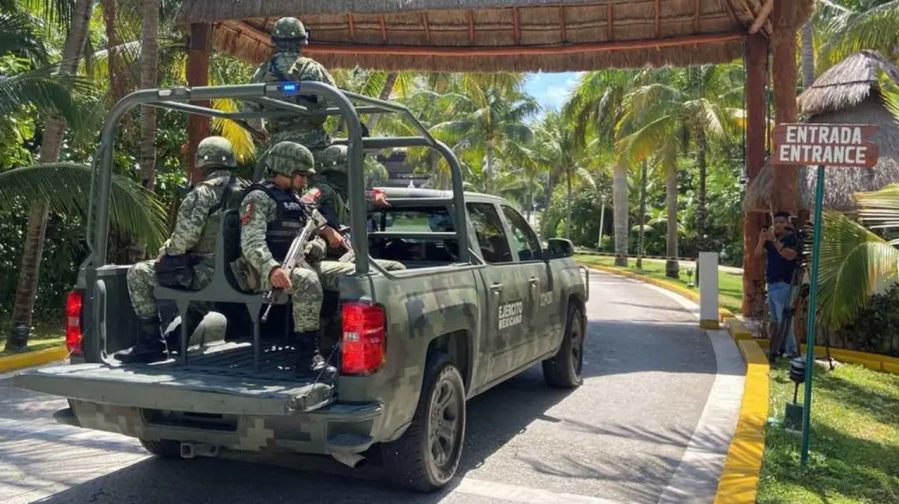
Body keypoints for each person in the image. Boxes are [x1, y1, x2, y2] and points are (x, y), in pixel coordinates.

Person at [117, 136, 248, 364]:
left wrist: (164, 250)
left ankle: (152, 344)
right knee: (197, 287)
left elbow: (182, 242)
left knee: (138, 273)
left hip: (206, 275)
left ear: (203, 162)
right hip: (241, 273)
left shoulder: (203, 194)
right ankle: (178, 337)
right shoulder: (246, 189)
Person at [238, 141, 336, 380]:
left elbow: (315, 229)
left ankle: (337, 341)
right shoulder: (259, 198)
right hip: (262, 269)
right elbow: (251, 243)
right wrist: (271, 268)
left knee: (356, 274)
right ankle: (307, 357)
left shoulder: (294, 198)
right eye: (301, 175)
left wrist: (322, 240)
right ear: (284, 168)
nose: (304, 181)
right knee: (308, 281)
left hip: (298, 263)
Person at [301, 144, 405, 274]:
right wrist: (325, 230)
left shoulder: (344, 192)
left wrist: (374, 195)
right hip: (329, 257)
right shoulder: (323, 190)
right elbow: (302, 207)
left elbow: (360, 196)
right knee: (395, 269)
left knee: (396, 268)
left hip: (347, 255)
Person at [249, 16, 336, 154]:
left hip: (279, 150)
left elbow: (251, 116)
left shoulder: (263, 71)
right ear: (301, 42)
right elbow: (335, 103)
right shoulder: (314, 68)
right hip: (314, 148)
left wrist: (261, 131)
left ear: (275, 41)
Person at [755, 210, 800, 357]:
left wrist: (774, 240)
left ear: (788, 223)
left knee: (785, 319)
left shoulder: (792, 238)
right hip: (772, 284)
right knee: (775, 320)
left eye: (781, 222)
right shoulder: (771, 240)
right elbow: (757, 255)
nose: (778, 225)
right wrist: (762, 240)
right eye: (776, 222)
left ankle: (791, 351)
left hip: (786, 284)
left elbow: (789, 255)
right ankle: (778, 349)